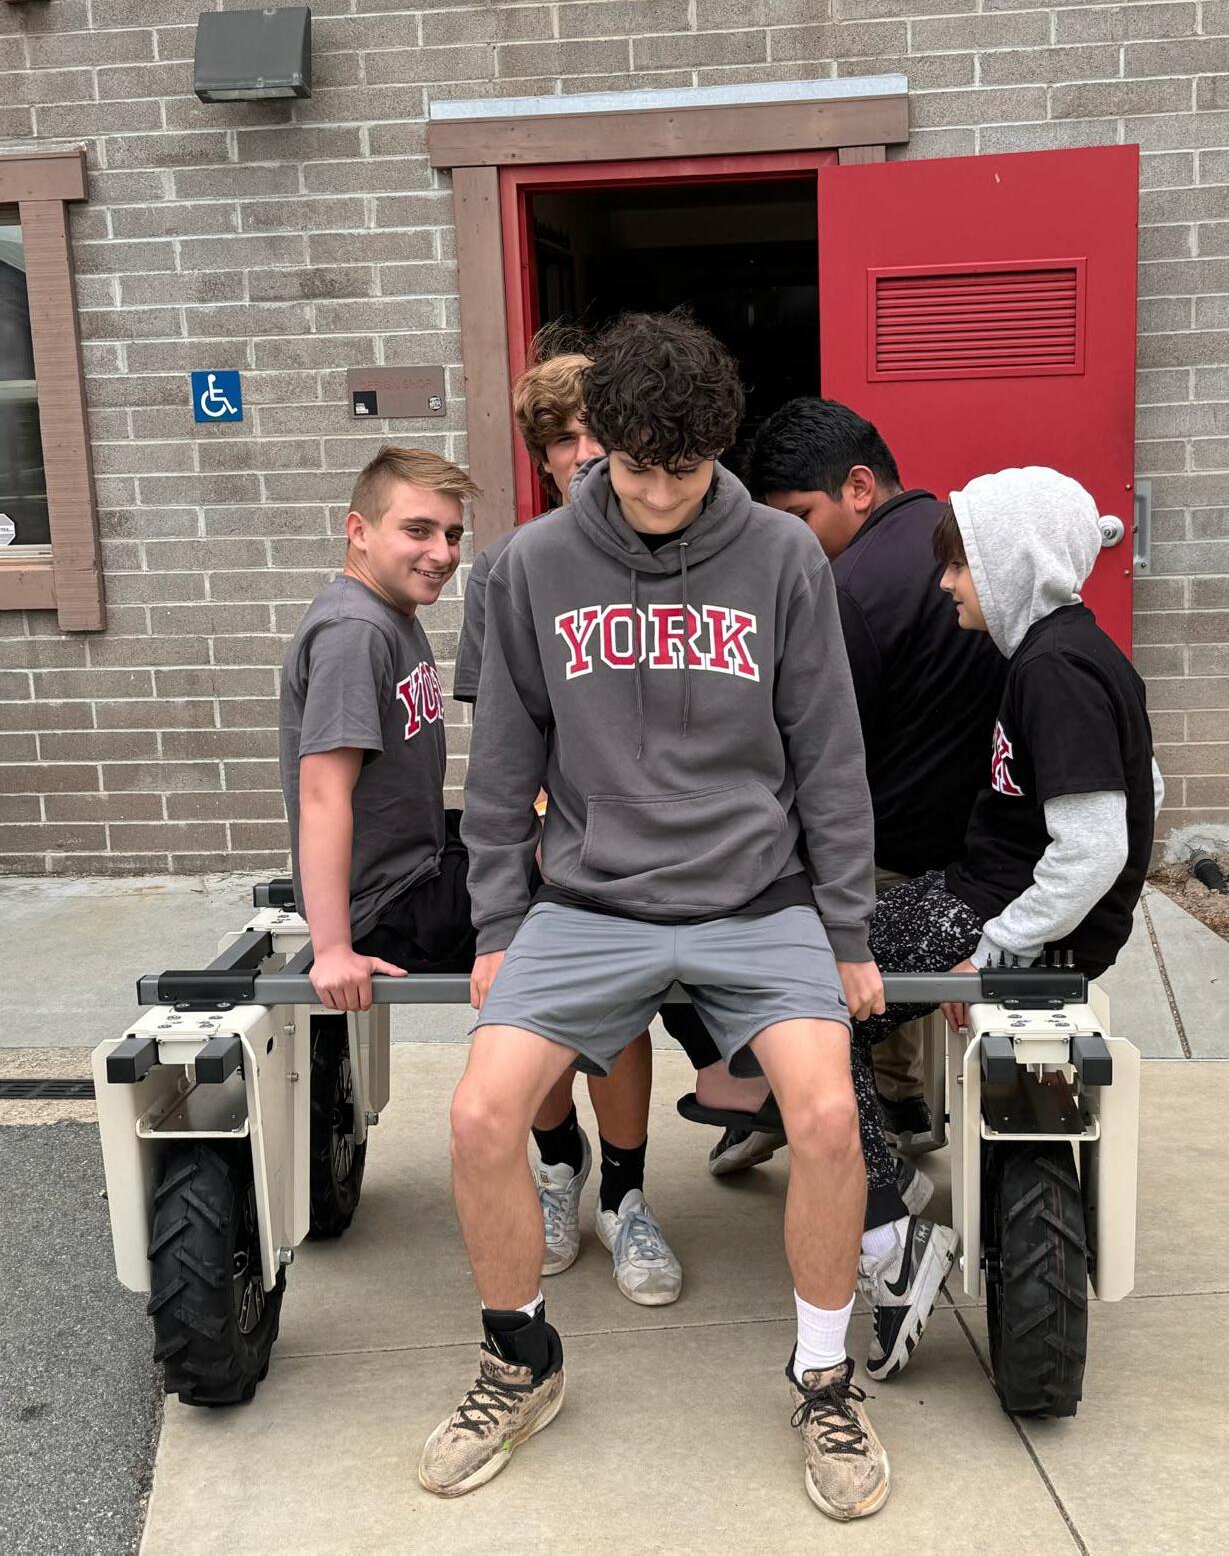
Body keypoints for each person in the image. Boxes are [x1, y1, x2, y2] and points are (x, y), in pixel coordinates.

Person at [420, 311, 892, 1520]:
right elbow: (500, 764)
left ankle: (823, 1378)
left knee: (827, 1114)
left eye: (685, 469)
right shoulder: (530, 566)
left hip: (755, 895)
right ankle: (520, 1361)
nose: (661, 494)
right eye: (636, 469)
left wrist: (845, 930)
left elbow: (828, 755)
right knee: (477, 1112)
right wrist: (495, 924)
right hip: (588, 897)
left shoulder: (781, 558)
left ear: (716, 449)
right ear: (597, 447)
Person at [454, 330, 683, 1306]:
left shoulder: (672, 553)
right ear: (540, 456)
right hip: (557, 838)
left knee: (621, 1016)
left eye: (597, 431)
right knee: (536, 1011)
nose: (582, 452)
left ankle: (625, 1194)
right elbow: (502, 738)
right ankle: (558, 1167)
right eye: (562, 438)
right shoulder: (508, 567)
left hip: (651, 843)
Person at [747, 398, 1006, 1154]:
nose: (790, 537)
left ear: (859, 486)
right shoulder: (965, 548)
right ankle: (902, 1102)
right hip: (975, 840)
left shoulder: (846, 589)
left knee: (818, 971)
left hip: (890, 842)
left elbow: (819, 750)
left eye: (799, 515)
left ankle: (853, 1135)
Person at [860, 465, 1161, 1064]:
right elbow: (1147, 788)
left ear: (1015, 563)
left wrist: (995, 955)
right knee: (826, 954)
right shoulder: (1075, 650)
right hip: (995, 899)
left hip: (1009, 919)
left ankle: (860, 1133)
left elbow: (1095, 849)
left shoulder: (1056, 671)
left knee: (815, 998)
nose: (945, 583)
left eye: (960, 565)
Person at [278, 446, 476, 1015]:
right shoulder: (355, 631)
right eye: (418, 530)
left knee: (542, 841)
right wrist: (333, 950)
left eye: (452, 535)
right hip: (390, 910)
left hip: (419, 860)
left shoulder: (391, 612)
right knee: (587, 904)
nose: (442, 553)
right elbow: (322, 794)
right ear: (358, 531)